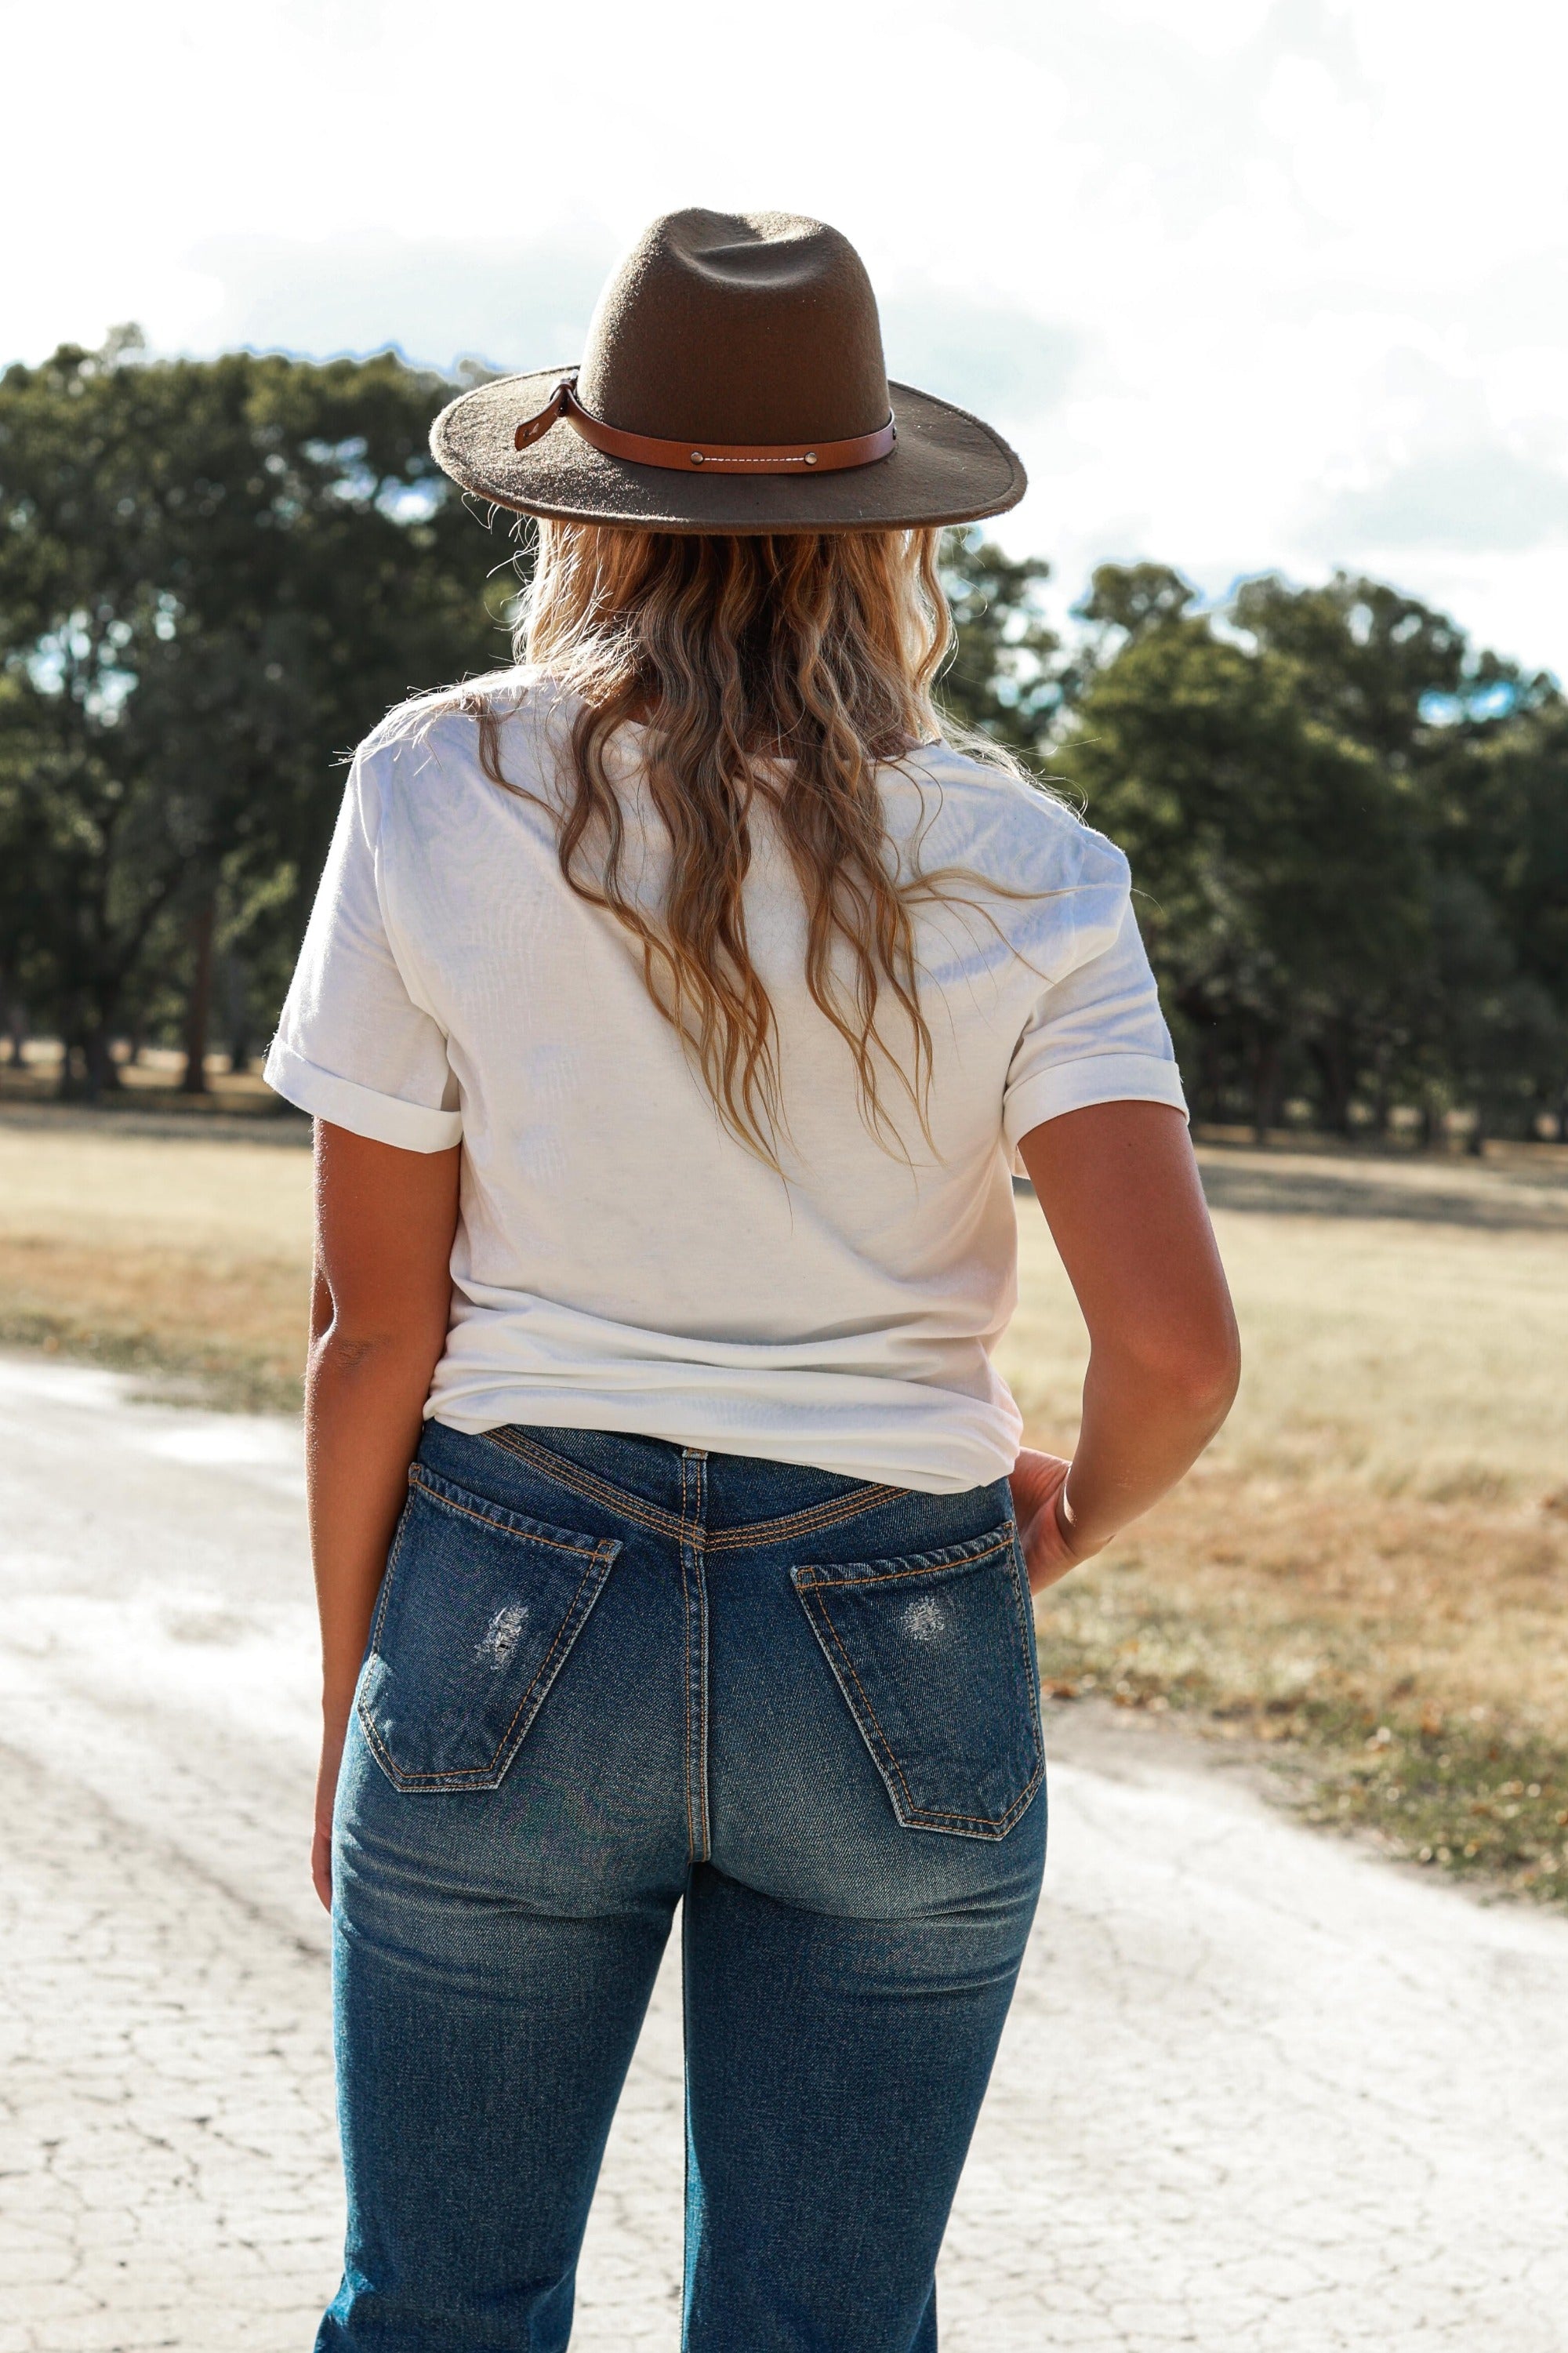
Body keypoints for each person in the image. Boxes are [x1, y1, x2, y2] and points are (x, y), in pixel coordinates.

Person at [265, 209, 1240, 2353]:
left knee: (439, 2304)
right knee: (824, 2322)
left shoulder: (436, 782)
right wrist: (1062, 1518)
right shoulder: (1040, 867)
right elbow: (1173, 1345)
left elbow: (377, 1330)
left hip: (508, 1610)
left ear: (586, 511)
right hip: (899, 1621)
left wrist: (355, 1691)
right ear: (887, 532)